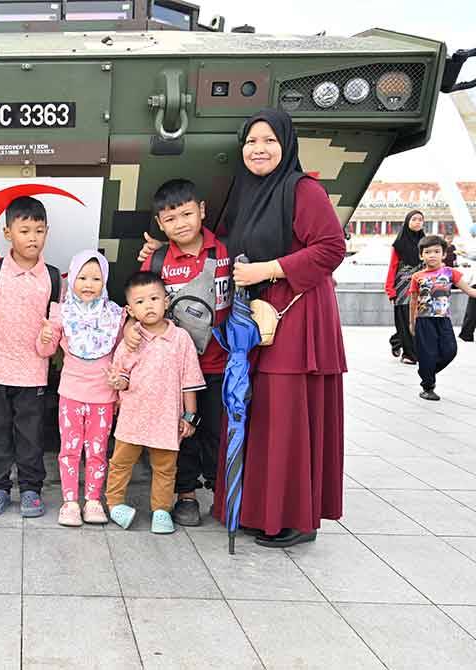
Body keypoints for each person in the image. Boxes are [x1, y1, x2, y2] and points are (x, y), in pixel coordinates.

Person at [138, 108, 347, 548]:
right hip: (254, 320)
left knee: (287, 418)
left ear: (286, 145)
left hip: (295, 316)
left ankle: (295, 519)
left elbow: (331, 248)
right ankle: (260, 510)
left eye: (270, 140)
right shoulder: (247, 193)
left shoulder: (301, 190)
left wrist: (269, 269)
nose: (259, 149)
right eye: (251, 142)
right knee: (261, 418)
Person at [124, 178, 230, 527]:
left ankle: (221, 492)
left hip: (217, 364)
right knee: (180, 435)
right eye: (170, 219)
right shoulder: (156, 260)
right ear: (159, 223)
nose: (181, 224)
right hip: (168, 372)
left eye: (187, 214)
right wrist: (128, 329)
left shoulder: (224, 252)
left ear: (202, 211)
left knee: (215, 430)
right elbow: (138, 304)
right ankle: (185, 496)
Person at [0, 196, 54, 518]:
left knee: (30, 433)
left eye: (39, 230)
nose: (33, 237)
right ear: (8, 233)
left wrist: (51, 336)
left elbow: (56, 323)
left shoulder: (54, 278)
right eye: (25, 230)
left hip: (32, 372)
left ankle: (31, 488)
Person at [105, 271, 204, 533]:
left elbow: (189, 380)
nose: (148, 305)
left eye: (154, 298)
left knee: (165, 467)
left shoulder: (180, 339)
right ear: (129, 309)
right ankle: (115, 504)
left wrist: (189, 415)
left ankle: (161, 510)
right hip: (133, 415)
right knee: (120, 463)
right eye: (140, 302)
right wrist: (118, 382)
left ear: (166, 301)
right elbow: (122, 376)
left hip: (166, 418)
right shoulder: (131, 340)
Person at [36, 251, 124, 527]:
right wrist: (45, 337)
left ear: (105, 281)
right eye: (82, 277)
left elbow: (123, 355)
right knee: (70, 450)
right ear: (72, 279)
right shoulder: (62, 312)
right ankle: (70, 502)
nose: (89, 284)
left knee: (98, 451)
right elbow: (45, 351)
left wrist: (121, 389)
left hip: (103, 397)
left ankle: (94, 501)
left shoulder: (116, 315)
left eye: (96, 278)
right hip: (71, 395)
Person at [408, 235, 476, 400]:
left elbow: (471, 291)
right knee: (427, 353)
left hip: (443, 320)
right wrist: (412, 322)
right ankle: (428, 386)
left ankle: (427, 370)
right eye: (428, 252)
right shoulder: (417, 277)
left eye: (437, 251)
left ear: (444, 254)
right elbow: (413, 301)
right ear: (421, 255)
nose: (432, 255)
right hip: (424, 321)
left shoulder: (451, 273)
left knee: (450, 351)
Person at [385, 210, 425, 364]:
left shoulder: (425, 243)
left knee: (417, 319)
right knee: (403, 319)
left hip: (421, 286)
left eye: (420, 220)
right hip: (402, 287)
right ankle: (409, 354)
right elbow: (392, 267)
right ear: (407, 222)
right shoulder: (399, 244)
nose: (417, 222)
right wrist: (390, 289)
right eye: (414, 219)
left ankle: (397, 340)